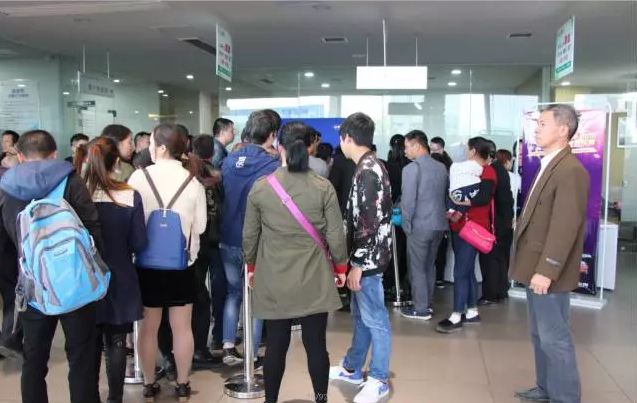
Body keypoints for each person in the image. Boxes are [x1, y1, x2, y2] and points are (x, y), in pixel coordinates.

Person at [243, 121, 347, 403]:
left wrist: (251, 266)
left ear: (279, 146)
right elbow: (335, 234)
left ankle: (271, 400)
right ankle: (321, 398)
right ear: (310, 147)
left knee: (276, 345)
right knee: (316, 345)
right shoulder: (323, 187)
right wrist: (340, 267)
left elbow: (250, 235)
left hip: (274, 276)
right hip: (314, 276)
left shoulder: (262, 188)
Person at [0, 129, 105, 403]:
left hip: (32, 285)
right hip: (76, 282)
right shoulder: (71, 180)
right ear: (55, 153)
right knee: (81, 358)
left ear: (20, 156)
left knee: (34, 360)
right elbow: (92, 227)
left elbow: (3, 244)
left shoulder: (6, 186)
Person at [510, 104, 588, 403]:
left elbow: (564, 227)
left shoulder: (571, 170)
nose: (536, 129)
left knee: (554, 338)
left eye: (543, 124)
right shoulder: (550, 164)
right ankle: (545, 389)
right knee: (539, 334)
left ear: (563, 130)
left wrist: (547, 270)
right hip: (534, 266)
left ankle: (565, 397)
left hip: (547, 271)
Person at [128, 123, 207, 402]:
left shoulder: (138, 178)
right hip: (181, 264)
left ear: (161, 147)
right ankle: (183, 383)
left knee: (148, 328)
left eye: (151, 142)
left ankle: (149, 383)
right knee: (182, 328)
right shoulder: (192, 181)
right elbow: (200, 227)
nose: (148, 147)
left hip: (146, 263)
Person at [329, 112, 393, 403]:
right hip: (368, 256)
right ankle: (352, 367)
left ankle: (379, 378)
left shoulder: (367, 170)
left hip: (367, 260)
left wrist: (356, 264)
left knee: (375, 319)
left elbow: (369, 221)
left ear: (347, 138)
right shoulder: (370, 165)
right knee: (361, 317)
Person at [82, 136, 147, 403]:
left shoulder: (77, 195)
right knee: (117, 341)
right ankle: (115, 398)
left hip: (83, 279)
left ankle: (89, 396)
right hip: (119, 275)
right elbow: (139, 242)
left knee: (88, 342)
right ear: (116, 162)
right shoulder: (129, 195)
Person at [220, 110, 279, 366]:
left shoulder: (229, 160)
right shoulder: (271, 165)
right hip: (257, 240)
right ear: (272, 135)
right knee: (255, 297)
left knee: (233, 293)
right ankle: (252, 353)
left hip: (227, 236)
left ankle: (228, 346)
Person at [436, 137, 497, 334]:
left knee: (460, 271)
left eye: (468, 149)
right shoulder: (466, 170)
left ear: (473, 152)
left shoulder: (487, 171)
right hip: (459, 226)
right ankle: (471, 311)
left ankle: (456, 315)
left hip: (472, 229)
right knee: (467, 270)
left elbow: (483, 198)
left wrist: (459, 201)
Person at [399, 130, 448, 321]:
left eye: (407, 147)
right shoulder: (441, 167)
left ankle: (420, 309)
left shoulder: (411, 169)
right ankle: (427, 304)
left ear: (417, 146)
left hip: (419, 225)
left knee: (417, 268)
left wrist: (406, 224)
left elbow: (408, 202)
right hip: (439, 224)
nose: (405, 151)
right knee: (429, 266)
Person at [189, 134, 225, 368]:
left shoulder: (186, 175)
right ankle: (203, 347)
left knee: (195, 296)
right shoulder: (215, 176)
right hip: (211, 240)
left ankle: (186, 349)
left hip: (190, 245)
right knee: (207, 297)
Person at [478, 140, 513, 306]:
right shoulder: (500, 169)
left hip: (494, 222)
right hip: (503, 221)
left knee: (490, 259)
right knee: (500, 258)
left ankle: (491, 294)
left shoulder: (491, 171)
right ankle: (500, 290)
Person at [431, 152, 451, 289]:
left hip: (427, 221)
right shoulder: (446, 179)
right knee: (441, 250)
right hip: (442, 220)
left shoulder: (426, 178)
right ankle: (439, 278)